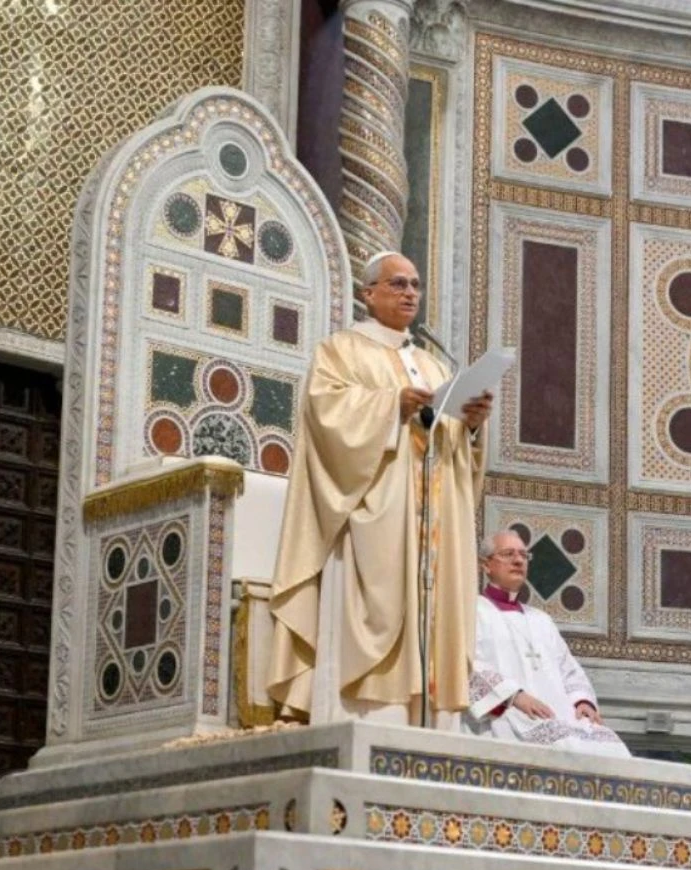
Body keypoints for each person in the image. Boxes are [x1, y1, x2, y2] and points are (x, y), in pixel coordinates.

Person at [268, 252, 493, 725]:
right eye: (397, 284)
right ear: (368, 294)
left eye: (415, 284)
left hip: (433, 519)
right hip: (378, 511)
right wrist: (391, 407)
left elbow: (450, 449)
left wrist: (471, 427)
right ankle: (373, 717)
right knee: (380, 603)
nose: (410, 292)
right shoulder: (340, 350)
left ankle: (429, 723)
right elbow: (325, 416)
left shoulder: (433, 365)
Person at [464, 529, 630, 758]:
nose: (518, 560)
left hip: (556, 714)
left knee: (614, 751)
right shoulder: (472, 610)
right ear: (486, 565)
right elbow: (465, 664)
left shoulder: (541, 620)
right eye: (508, 553)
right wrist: (513, 695)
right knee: (562, 750)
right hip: (507, 709)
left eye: (524, 555)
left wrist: (583, 702)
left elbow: (568, 669)